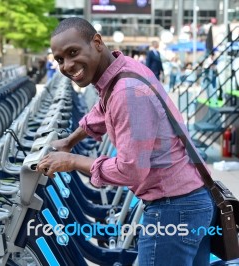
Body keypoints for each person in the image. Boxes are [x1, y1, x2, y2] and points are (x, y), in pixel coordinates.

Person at [36, 17, 216, 265]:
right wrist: (69, 141)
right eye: (59, 59)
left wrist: (72, 160)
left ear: (97, 42)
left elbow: (131, 170)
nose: (67, 65)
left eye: (73, 52)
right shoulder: (122, 72)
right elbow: (102, 110)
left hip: (173, 210)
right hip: (190, 199)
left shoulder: (126, 91)